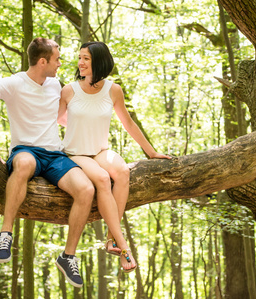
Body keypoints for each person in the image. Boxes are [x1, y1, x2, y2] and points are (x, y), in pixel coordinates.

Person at [0, 38, 94, 288]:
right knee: (22, 165)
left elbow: (64, 116)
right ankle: (5, 234)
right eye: (57, 58)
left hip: (55, 155)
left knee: (86, 189)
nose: (60, 63)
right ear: (42, 61)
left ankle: (68, 256)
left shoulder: (56, 84)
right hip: (26, 151)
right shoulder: (15, 83)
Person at [58, 41, 171, 273]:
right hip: (75, 152)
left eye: (86, 59)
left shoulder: (113, 90)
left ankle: (111, 239)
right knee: (100, 178)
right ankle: (124, 246)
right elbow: (54, 119)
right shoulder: (69, 90)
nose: (80, 62)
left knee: (122, 172)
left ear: (99, 61)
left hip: (100, 150)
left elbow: (128, 123)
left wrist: (150, 152)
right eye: (79, 58)